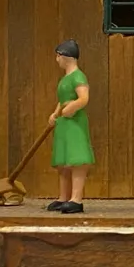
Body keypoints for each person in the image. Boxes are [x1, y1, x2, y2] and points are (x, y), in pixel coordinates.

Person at [47, 39, 94, 214]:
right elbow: (62, 100)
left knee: (77, 160)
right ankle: (63, 197)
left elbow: (83, 98)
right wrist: (55, 114)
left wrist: (71, 108)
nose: (57, 60)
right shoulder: (65, 79)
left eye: (58, 56)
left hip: (74, 123)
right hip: (64, 123)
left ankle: (76, 199)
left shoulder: (78, 77)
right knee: (64, 162)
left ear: (65, 56)